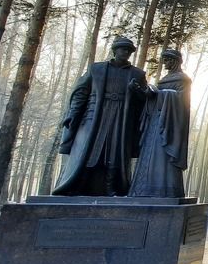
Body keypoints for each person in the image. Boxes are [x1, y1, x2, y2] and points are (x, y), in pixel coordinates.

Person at [53, 37, 147, 196]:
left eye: (128, 51)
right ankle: (81, 183)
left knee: (114, 151)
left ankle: (111, 187)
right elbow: (81, 93)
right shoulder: (96, 69)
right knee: (91, 150)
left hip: (121, 119)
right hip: (96, 116)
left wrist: (137, 90)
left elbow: (144, 101)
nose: (125, 53)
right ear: (114, 50)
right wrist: (73, 114)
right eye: (122, 49)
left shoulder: (137, 74)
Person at [128, 49, 192, 197]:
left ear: (176, 61)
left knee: (163, 156)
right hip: (156, 122)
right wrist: (142, 91)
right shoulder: (164, 79)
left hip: (170, 124)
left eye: (168, 60)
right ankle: (143, 189)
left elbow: (182, 102)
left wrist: (159, 94)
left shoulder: (183, 79)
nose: (165, 63)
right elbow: (153, 98)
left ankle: (165, 190)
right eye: (164, 60)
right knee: (149, 153)